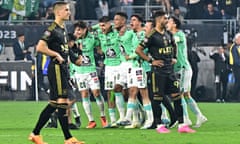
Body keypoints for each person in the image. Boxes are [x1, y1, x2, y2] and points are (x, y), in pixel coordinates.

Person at [28, 1, 84, 144]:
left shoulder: (63, 28)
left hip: (63, 68)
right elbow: (40, 47)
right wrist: (56, 55)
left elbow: (64, 48)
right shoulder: (52, 28)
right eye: (66, 10)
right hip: (57, 68)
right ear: (58, 12)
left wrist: (75, 58)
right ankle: (68, 138)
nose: (69, 12)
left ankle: (35, 133)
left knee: (54, 103)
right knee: (62, 102)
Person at [136, 10, 196, 133]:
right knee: (157, 98)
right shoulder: (151, 36)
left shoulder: (168, 34)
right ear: (158, 19)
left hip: (170, 71)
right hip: (158, 72)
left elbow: (174, 45)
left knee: (177, 97)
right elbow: (139, 50)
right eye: (165, 18)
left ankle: (182, 125)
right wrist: (151, 60)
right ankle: (159, 125)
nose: (167, 20)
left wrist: (174, 57)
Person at [167, 16, 207, 128]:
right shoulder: (172, 35)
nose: (167, 24)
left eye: (169, 22)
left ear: (174, 24)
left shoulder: (179, 35)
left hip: (183, 68)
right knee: (185, 94)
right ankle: (197, 116)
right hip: (179, 68)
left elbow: (172, 42)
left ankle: (186, 118)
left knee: (181, 94)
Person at [71, 21, 108, 128]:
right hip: (79, 72)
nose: (77, 32)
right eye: (76, 30)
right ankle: (91, 120)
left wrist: (92, 27)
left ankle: (102, 116)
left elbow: (100, 34)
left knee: (96, 93)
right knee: (84, 95)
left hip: (91, 71)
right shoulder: (72, 41)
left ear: (85, 30)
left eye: (79, 30)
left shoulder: (91, 38)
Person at [97, 16, 125, 127]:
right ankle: (113, 120)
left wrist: (112, 25)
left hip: (120, 64)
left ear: (110, 24)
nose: (102, 28)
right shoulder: (100, 33)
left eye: (104, 25)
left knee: (121, 90)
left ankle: (124, 117)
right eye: (100, 26)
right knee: (110, 92)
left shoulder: (116, 31)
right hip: (108, 67)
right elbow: (94, 28)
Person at [229, 33, 240, 101]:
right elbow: (236, 60)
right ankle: (233, 97)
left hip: (238, 66)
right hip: (236, 67)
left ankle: (236, 97)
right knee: (238, 82)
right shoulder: (234, 47)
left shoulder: (237, 47)